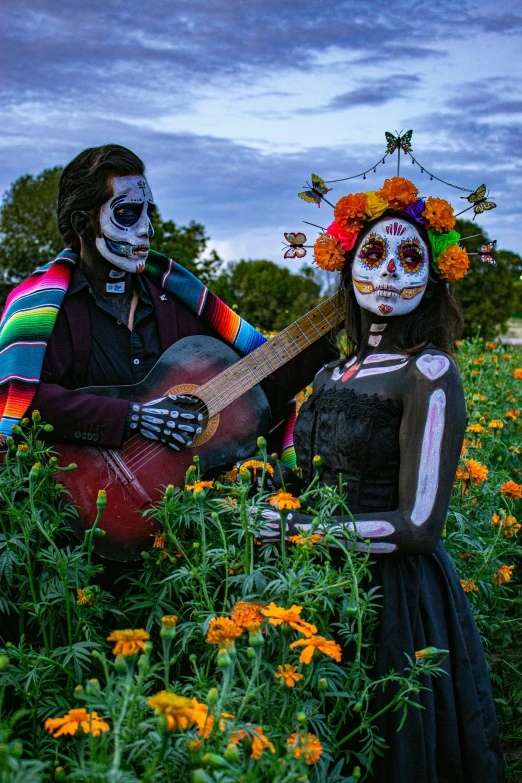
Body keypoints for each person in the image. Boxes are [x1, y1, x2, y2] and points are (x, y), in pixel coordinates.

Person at [257, 178, 505, 782]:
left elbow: (419, 526)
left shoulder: (430, 372)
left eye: (411, 257)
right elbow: (307, 470)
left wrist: (297, 529)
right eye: (373, 254)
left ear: (436, 274)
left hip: (396, 596)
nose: (390, 271)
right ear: (346, 267)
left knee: (388, 738)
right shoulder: (333, 372)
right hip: (319, 586)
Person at [0, 144, 334, 527]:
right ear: (81, 224)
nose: (146, 228)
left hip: (187, 521)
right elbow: (20, 399)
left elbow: (252, 396)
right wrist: (134, 417)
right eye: (127, 214)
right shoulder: (44, 309)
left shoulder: (177, 299)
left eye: (148, 212)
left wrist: (327, 334)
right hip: (75, 521)